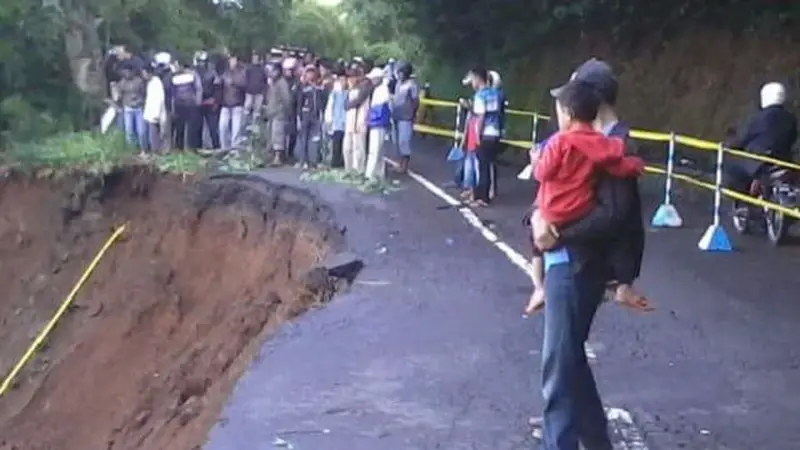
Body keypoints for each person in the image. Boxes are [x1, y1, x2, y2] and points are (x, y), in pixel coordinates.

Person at [527, 58, 649, 450]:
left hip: (580, 263)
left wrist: (557, 231)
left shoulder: (614, 144)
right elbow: (550, 191)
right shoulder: (583, 141)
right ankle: (596, 442)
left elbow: (614, 216)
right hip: (569, 259)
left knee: (559, 367)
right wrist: (536, 220)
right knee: (569, 359)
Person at [524, 80, 645, 316]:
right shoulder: (604, 143)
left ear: (568, 114)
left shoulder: (560, 141)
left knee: (535, 236)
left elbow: (542, 173)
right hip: (581, 208)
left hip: (556, 215)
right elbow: (617, 166)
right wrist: (634, 165)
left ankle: (539, 286)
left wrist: (537, 161)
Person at [724, 82, 798, 202]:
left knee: (731, 167)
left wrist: (730, 144)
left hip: (759, 165)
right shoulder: (791, 119)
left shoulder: (760, 118)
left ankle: (744, 204)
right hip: (784, 162)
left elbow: (743, 138)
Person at [466, 68, 502, 207]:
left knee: (482, 166)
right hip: (495, 132)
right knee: (488, 164)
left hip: (485, 133)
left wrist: (477, 135)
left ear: (477, 78)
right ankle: (484, 195)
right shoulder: (494, 93)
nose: (472, 83)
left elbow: (480, 116)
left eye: (473, 79)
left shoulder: (480, 95)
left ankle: (482, 198)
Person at [294, 65, 326, 169]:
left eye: (312, 73)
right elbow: (299, 102)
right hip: (305, 115)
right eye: (308, 73)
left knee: (314, 139)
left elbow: (322, 101)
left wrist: (322, 114)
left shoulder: (319, 87)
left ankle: (314, 160)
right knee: (304, 138)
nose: (310, 75)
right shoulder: (303, 87)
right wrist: (299, 117)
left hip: (316, 115)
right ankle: (303, 160)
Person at [344, 61, 372, 174]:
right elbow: (345, 102)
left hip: (360, 118)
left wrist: (349, 104)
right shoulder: (351, 85)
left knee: (359, 146)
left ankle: (359, 170)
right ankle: (348, 169)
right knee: (347, 147)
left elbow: (359, 99)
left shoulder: (366, 83)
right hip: (350, 120)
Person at [392, 61, 419, 173]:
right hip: (397, 114)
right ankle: (399, 162)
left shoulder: (412, 85)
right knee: (397, 140)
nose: (398, 74)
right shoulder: (398, 83)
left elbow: (415, 101)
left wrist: (412, 114)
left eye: (400, 72)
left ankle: (404, 165)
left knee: (404, 141)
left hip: (406, 116)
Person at [169, 60, 203, 150]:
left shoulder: (192, 74)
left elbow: (199, 88)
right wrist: (173, 108)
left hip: (191, 105)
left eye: (176, 66)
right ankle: (179, 149)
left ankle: (192, 149)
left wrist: (197, 103)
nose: (175, 68)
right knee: (179, 129)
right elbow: (173, 94)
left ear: (181, 66)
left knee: (192, 129)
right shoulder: (174, 76)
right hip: (179, 105)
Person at [365, 67, 392, 180]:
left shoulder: (382, 90)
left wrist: (369, 119)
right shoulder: (379, 89)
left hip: (378, 123)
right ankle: (379, 174)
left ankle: (369, 175)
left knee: (375, 150)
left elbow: (379, 109)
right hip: (378, 123)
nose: (372, 81)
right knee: (379, 150)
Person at [264, 61, 293, 166]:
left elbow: (287, 98)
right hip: (272, 113)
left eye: (272, 71)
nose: (270, 73)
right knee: (271, 135)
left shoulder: (282, 82)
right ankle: (271, 156)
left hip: (279, 113)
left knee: (278, 135)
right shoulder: (272, 83)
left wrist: (285, 110)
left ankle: (278, 158)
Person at [218, 54, 246, 150]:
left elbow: (244, 84)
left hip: (237, 104)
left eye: (233, 60)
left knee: (236, 129)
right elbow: (221, 85)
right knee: (222, 127)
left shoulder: (242, 71)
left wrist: (233, 82)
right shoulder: (226, 72)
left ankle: (235, 149)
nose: (231, 62)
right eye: (230, 60)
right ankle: (224, 147)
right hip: (225, 104)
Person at [194, 51, 221, 150]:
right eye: (200, 61)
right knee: (198, 128)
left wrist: (215, 101)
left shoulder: (212, 72)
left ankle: (217, 147)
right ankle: (198, 148)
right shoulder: (194, 72)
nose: (201, 63)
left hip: (210, 102)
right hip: (198, 103)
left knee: (213, 128)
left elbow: (218, 88)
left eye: (203, 61)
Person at [118, 64, 147, 149]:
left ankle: (143, 148)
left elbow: (144, 93)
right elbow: (119, 95)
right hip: (127, 108)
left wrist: (140, 101)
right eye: (124, 72)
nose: (126, 74)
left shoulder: (139, 81)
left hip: (139, 108)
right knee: (129, 131)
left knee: (141, 131)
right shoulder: (122, 82)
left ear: (132, 72)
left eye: (127, 72)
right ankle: (131, 150)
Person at [324, 66, 347, 168]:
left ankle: (340, 162)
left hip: (345, 122)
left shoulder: (348, 92)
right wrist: (329, 119)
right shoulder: (335, 92)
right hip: (337, 122)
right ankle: (335, 163)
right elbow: (330, 106)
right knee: (336, 144)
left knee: (343, 144)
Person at [142, 65, 166, 155]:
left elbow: (159, 100)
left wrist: (156, 114)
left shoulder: (157, 83)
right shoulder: (150, 82)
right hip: (149, 113)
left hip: (155, 114)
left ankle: (156, 153)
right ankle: (151, 152)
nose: (143, 75)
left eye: (144, 73)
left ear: (149, 73)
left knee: (154, 137)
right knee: (148, 135)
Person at [244, 51, 268, 126]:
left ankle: (255, 125)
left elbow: (265, 80)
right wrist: (247, 88)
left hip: (259, 92)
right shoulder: (248, 68)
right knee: (247, 107)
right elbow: (245, 78)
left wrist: (263, 90)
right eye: (254, 58)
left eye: (256, 58)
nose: (255, 60)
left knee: (257, 110)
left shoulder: (262, 69)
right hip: (249, 92)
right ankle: (246, 123)